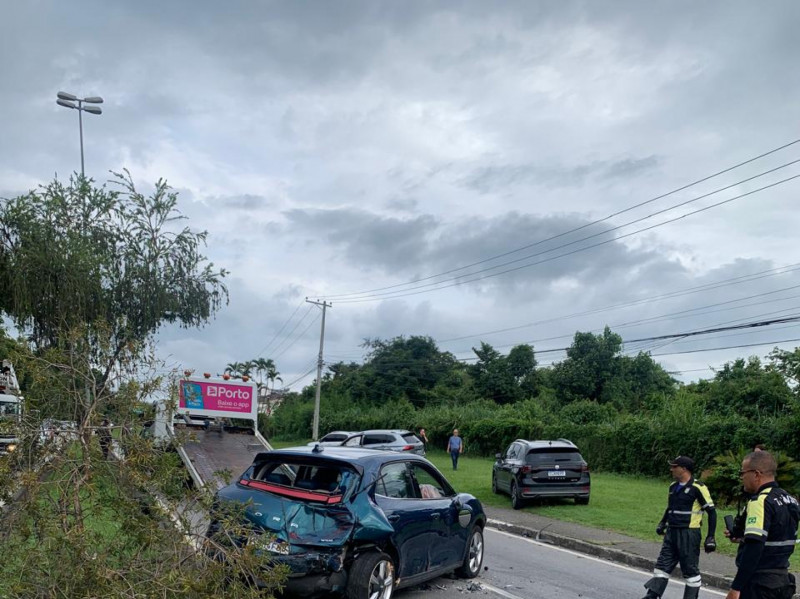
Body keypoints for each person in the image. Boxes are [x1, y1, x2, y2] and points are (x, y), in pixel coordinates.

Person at [725, 451, 798, 599]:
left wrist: (736, 588)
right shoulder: (790, 499)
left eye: (742, 473)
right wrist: (742, 537)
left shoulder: (760, 501)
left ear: (756, 474)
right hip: (782, 581)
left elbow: (754, 547)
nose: (741, 477)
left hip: (759, 584)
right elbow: (775, 535)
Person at [641, 456, 717, 599]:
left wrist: (710, 537)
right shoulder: (672, 486)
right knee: (662, 566)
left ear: (684, 469)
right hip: (671, 532)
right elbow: (670, 508)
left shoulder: (698, 487)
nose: (671, 469)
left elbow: (712, 512)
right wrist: (662, 523)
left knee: (690, 570)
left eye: (674, 466)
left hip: (689, 534)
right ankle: (651, 596)